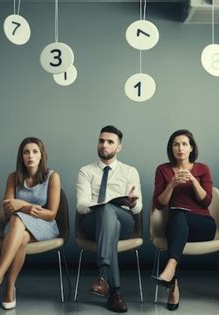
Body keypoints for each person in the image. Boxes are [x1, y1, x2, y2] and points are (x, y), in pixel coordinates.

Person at [0, 137, 61, 309]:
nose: (30, 156)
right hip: (16, 226)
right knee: (22, 235)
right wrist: (26, 209)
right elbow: (8, 208)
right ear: (21, 156)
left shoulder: (52, 176)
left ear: (42, 156)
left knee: (18, 219)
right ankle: (10, 287)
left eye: (35, 152)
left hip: (44, 226)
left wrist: (22, 205)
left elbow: (51, 214)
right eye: (26, 152)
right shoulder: (13, 177)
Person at [76, 125, 142, 313]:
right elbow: (81, 206)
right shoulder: (85, 171)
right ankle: (114, 292)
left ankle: (103, 276)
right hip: (93, 222)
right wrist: (101, 206)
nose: (104, 145)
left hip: (125, 222)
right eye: (101, 140)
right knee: (106, 213)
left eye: (110, 142)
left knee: (110, 215)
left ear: (118, 147)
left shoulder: (130, 171)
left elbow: (139, 208)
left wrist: (131, 203)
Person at [151, 129, 216, 311]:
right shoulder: (163, 170)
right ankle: (173, 282)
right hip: (177, 225)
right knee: (177, 214)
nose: (180, 148)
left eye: (184, 144)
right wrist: (172, 183)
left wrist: (193, 181)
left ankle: (170, 273)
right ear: (171, 148)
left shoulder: (202, 169)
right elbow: (159, 204)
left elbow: (206, 201)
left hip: (203, 225)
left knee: (179, 215)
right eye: (176, 144)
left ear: (191, 148)